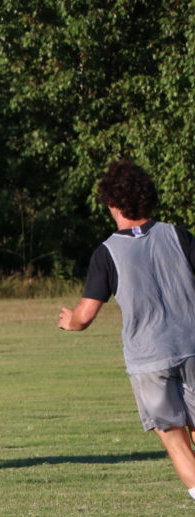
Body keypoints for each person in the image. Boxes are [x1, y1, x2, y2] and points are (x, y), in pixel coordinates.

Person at [58, 158, 195, 499]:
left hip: (150, 359)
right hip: (193, 346)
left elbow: (84, 317)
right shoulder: (178, 236)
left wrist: (68, 320)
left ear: (110, 203)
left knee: (175, 440)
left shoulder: (107, 253)